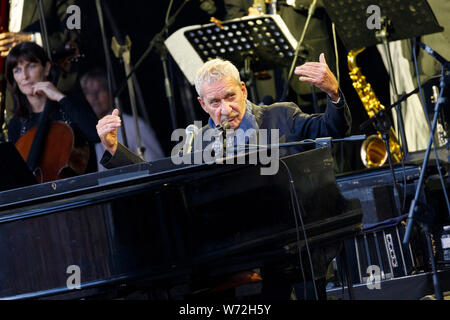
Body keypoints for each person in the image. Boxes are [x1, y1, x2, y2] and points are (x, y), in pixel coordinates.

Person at [95, 55, 351, 299]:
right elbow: (160, 182)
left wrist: (333, 94)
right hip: (233, 264)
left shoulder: (281, 116)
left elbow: (332, 128)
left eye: (230, 96)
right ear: (202, 105)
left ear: (243, 90)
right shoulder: (196, 143)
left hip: (293, 254)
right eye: (215, 102)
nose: (226, 108)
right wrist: (115, 151)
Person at [6, 41, 99, 174]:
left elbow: (96, 135)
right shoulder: (16, 124)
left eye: (31, 66)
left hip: (80, 190)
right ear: (14, 77)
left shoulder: (72, 102)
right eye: (17, 70)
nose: (25, 76)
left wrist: (60, 97)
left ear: (47, 68)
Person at [80, 68, 164, 170]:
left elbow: (156, 166)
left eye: (99, 90)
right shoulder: (87, 131)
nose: (94, 97)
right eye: (88, 93)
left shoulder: (133, 125)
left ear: (110, 93)